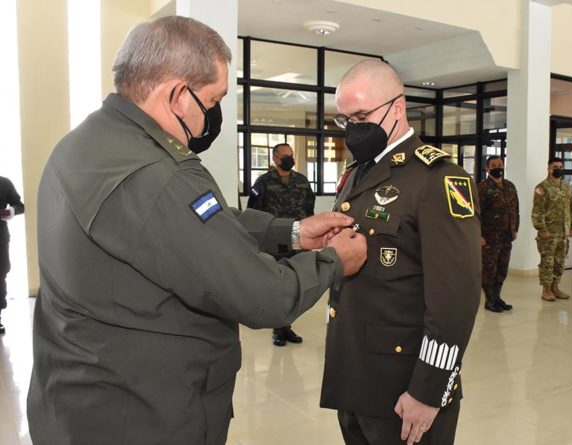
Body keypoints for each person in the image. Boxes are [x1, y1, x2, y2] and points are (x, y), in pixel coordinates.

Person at [27, 16, 367, 445]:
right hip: (143, 415)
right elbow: (265, 296)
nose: (214, 116)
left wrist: (293, 231)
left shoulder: (88, 144)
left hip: (79, 401)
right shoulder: (156, 174)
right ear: (175, 94)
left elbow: (200, 223)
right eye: (213, 99)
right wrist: (334, 261)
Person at [321, 59, 481, 445]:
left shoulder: (440, 179)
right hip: (356, 375)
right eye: (345, 120)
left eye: (361, 115)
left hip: (405, 387)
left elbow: (454, 301)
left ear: (397, 106)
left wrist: (429, 392)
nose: (353, 129)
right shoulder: (359, 170)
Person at [248, 143, 315, 346]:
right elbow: (253, 213)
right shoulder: (263, 182)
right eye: (285, 156)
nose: (290, 159)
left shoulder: (302, 181)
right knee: (277, 286)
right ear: (275, 158)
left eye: (291, 155)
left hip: (297, 240)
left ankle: (287, 326)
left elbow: (309, 209)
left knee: (294, 285)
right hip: (274, 242)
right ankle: (278, 328)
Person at [532, 158, 572, 302]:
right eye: (555, 167)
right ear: (549, 169)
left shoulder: (567, 187)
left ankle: (555, 287)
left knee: (560, 262)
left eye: (561, 166)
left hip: (563, 233)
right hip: (549, 233)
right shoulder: (542, 188)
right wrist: (542, 229)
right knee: (548, 262)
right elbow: (537, 212)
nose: (558, 169)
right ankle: (546, 290)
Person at [478, 155, 519, 312]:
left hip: (506, 235)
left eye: (500, 164)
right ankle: (490, 301)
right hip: (488, 237)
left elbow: (516, 210)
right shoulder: (482, 188)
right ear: (487, 169)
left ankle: (497, 297)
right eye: (494, 165)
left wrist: (515, 229)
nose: (498, 168)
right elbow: (475, 213)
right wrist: (478, 235)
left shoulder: (510, 186)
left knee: (502, 268)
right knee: (489, 269)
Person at [0, 176, 25, 334]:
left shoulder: (4, 183)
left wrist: (11, 211)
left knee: (0, 274)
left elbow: (20, 206)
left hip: (0, 237)